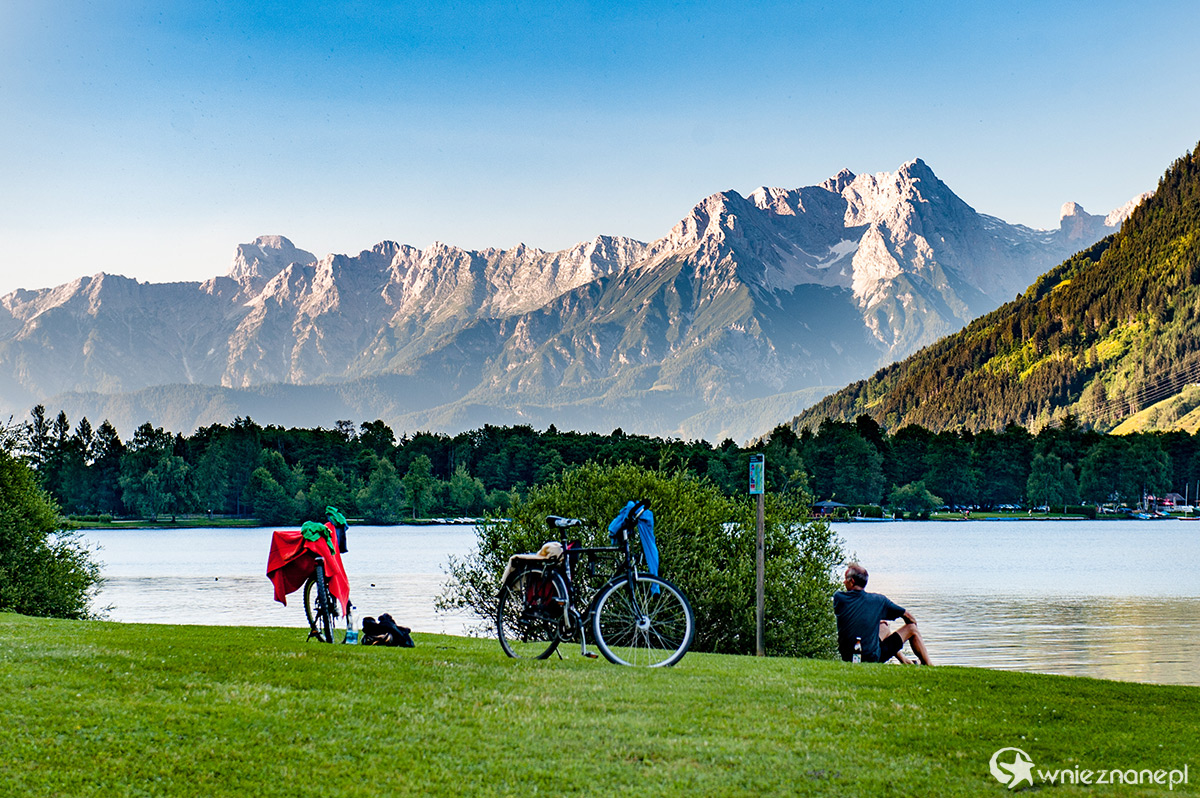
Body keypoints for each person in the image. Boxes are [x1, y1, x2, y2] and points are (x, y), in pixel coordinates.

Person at [833, 563, 932, 665]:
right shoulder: (878, 601)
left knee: (883, 626)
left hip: (848, 656)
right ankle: (929, 665)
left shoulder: (839, 598)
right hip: (872, 657)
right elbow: (908, 616)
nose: (844, 582)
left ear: (852, 581)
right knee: (912, 629)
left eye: (845, 579)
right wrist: (914, 634)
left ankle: (906, 661)